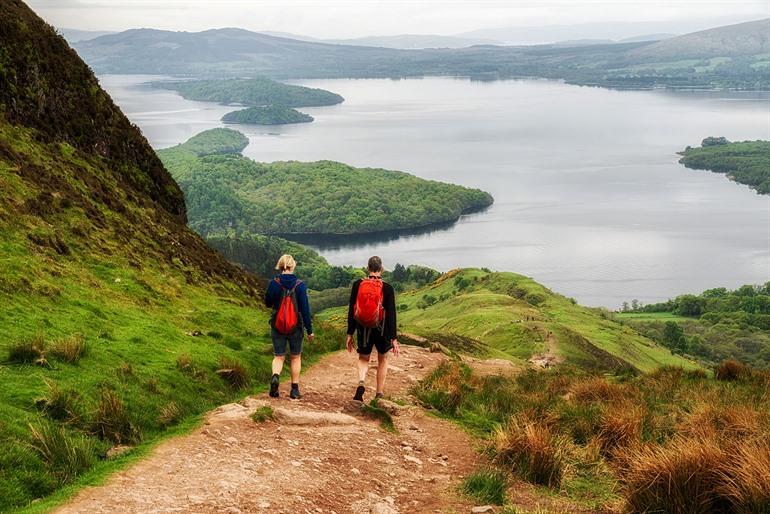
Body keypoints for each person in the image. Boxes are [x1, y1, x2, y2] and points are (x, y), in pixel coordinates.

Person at [346, 256, 399, 401]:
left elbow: (352, 309)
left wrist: (350, 333)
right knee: (383, 359)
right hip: (382, 329)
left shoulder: (358, 285)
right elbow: (391, 314)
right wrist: (394, 338)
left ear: (368, 268)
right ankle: (379, 394)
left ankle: (361, 381)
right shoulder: (387, 288)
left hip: (363, 328)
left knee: (363, 358)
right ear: (382, 269)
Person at [264, 254, 313, 399]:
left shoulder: (274, 283)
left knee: (279, 356)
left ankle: (275, 377)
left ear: (280, 266)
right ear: (293, 266)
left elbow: (267, 303)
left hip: (278, 325)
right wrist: (309, 330)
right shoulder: (300, 285)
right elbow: (305, 309)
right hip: (295, 327)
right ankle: (294, 390)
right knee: (295, 357)